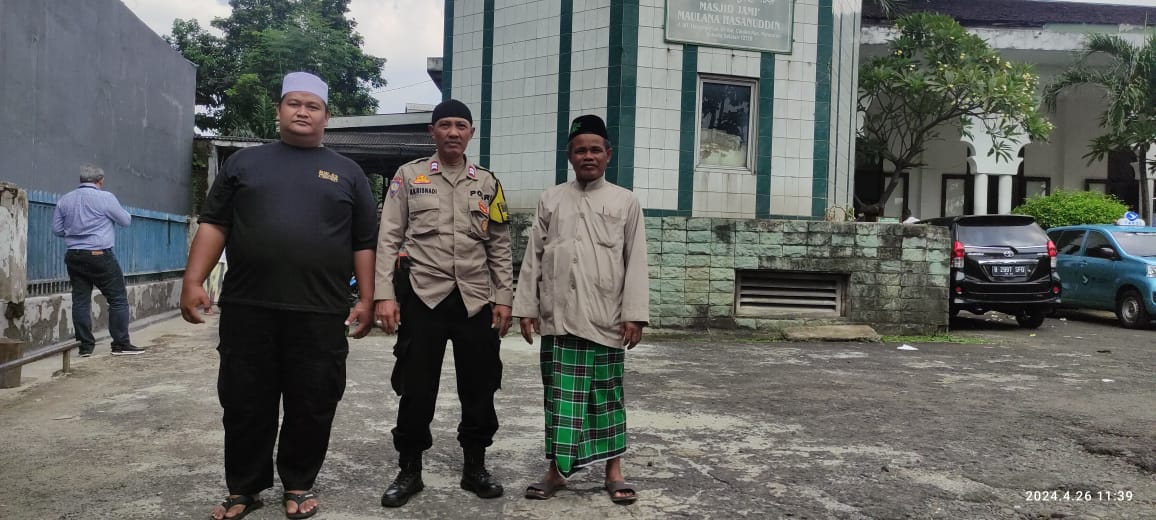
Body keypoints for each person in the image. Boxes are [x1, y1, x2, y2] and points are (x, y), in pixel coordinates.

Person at [180, 71, 378, 520]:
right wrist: (194, 280)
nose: (302, 112)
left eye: (313, 106)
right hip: (250, 306)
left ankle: (299, 482)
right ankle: (243, 488)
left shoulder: (348, 173)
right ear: (279, 110)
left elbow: (364, 242)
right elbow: (215, 224)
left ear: (327, 117)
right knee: (245, 399)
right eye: (294, 104)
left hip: (320, 308)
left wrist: (366, 298)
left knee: (314, 400)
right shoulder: (245, 165)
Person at [373, 99, 514, 508]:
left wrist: (504, 298)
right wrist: (384, 293)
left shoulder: (488, 183)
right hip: (424, 296)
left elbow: (500, 245)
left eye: (461, 125)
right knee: (416, 387)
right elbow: (388, 238)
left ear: (471, 133)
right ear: (432, 132)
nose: (453, 132)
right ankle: (410, 470)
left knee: (481, 385)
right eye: (445, 125)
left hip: (476, 300)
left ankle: (475, 468)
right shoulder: (409, 176)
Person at [513, 114, 649, 505]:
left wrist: (634, 314)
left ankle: (613, 471)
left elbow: (635, 260)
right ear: (569, 156)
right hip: (558, 320)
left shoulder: (625, 201)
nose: (587, 156)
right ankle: (556, 472)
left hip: (605, 317)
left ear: (608, 154)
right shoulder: (551, 199)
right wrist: (526, 307)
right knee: (559, 398)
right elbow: (533, 258)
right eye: (579, 150)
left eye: (594, 149)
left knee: (607, 397)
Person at [51, 164, 144, 357]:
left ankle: (85, 347)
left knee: (80, 300)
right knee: (117, 299)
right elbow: (125, 220)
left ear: (81, 180)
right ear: (100, 181)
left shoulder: (65, 200)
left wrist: (76, 232)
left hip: (74, 255)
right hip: (99, 255)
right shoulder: (105, 198)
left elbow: (57, 230)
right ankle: (120, 344)